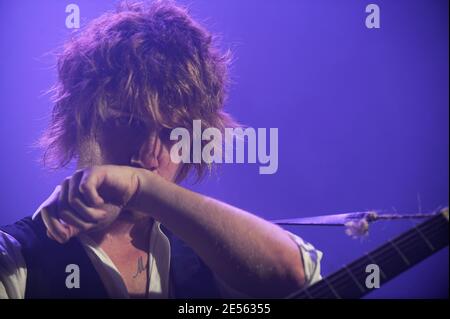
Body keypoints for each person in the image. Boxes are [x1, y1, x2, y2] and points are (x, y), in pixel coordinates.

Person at [0, 1, 322, 299]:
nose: (148, 156)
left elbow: (296, 274)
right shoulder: (15, 257)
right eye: (129, 123)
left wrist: (143, 187)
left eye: (172, 135)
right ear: (81, 121)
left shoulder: (211, 254)